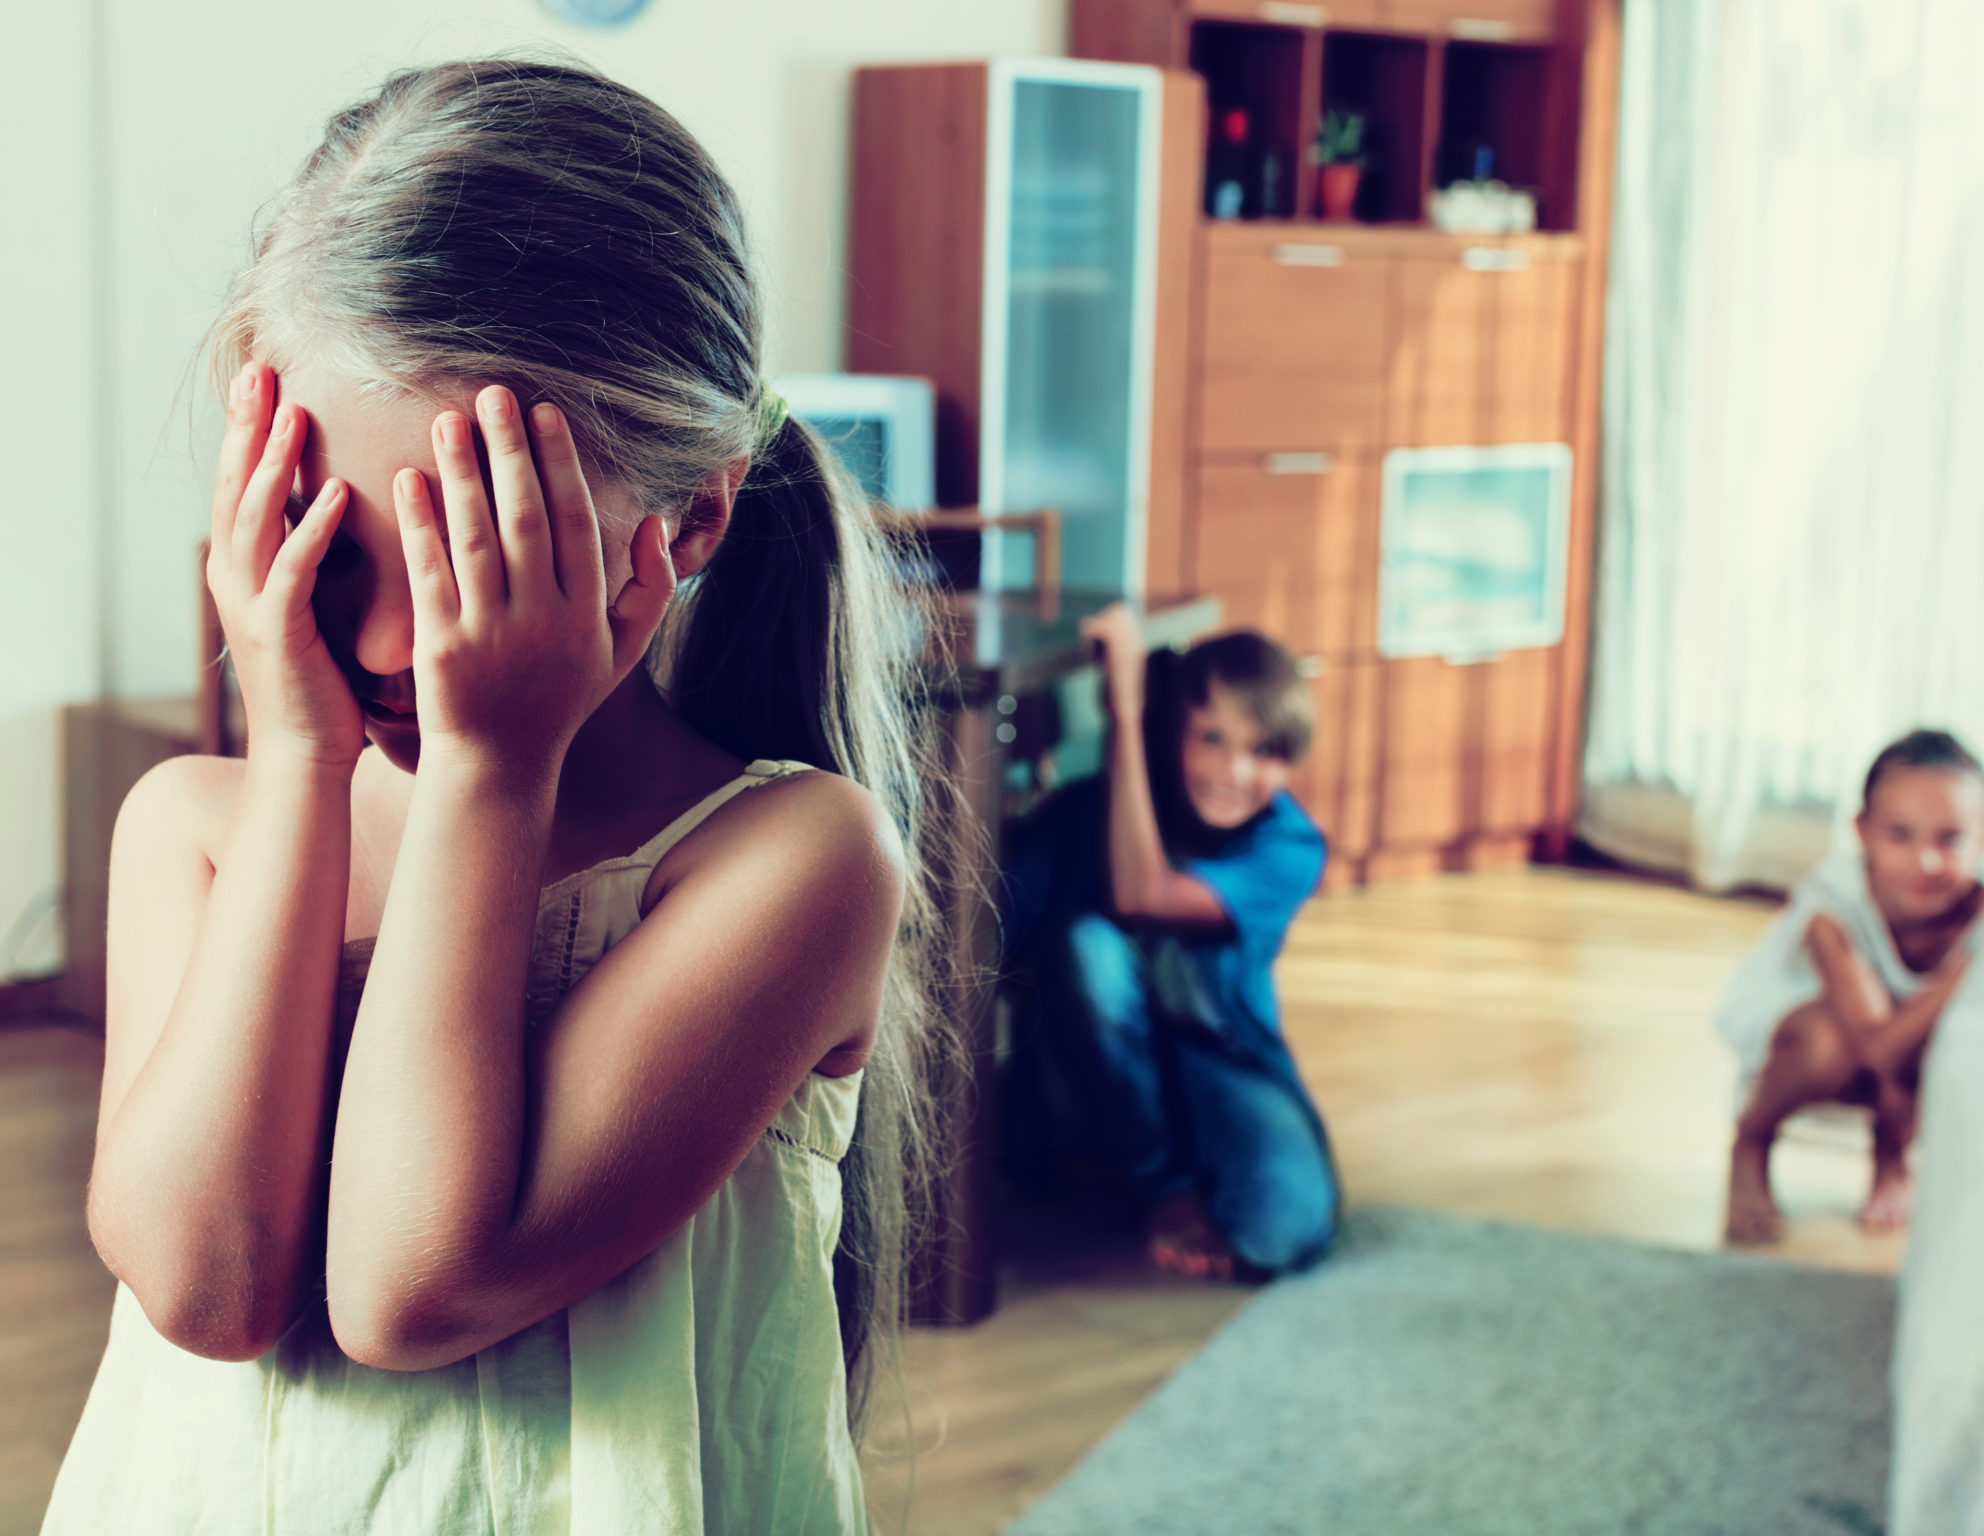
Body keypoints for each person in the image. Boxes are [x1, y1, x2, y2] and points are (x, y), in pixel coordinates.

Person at [42, 60, 949, 1534]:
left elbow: (414, 1287)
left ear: (692, 519)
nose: (397, 644)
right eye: (327, 548)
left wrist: (486, 774)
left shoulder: (791, 863)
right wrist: (297, 769)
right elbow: (204, 1289)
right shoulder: (195, 832)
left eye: (477, 563)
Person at [1000, 603, 1339, 1282]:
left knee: (1285, 1226)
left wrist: (1122, 712)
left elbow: (1143, 894)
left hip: (1222, 1061)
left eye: (1263, 750)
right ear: (1175, 732)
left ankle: (1153, 1156)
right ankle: (1165, 1186)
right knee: (1089, 947)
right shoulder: (1091, 811)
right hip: (1091, 1059)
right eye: (1211, 738)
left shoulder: (1290, 845)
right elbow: (992, 924)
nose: (1234, 771)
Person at [1720, 728, 1984, 1245]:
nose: (1926, 862)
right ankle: (1751, 1141)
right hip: (1828, 1036)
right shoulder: (1833, 903)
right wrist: (1960, 975)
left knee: (1949, 1042)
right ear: (1861, 831)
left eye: (1949, 839)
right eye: (1900, 835)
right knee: (1831, 1043)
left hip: (1910, 1051)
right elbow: (1878, 1046)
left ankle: (1892, 1157)